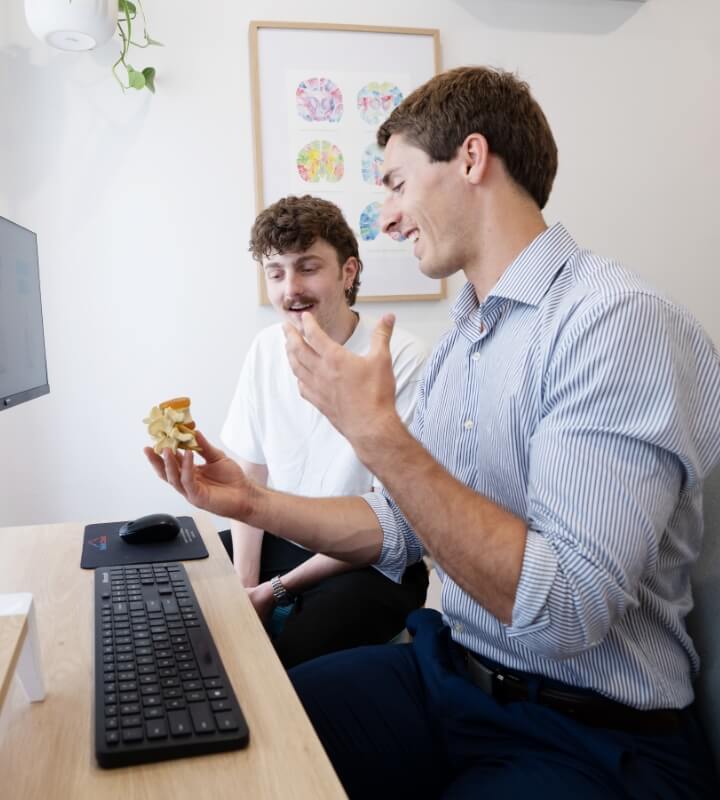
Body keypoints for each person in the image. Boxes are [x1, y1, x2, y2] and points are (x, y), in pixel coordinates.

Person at [146, 66, 720, 798]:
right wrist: (252, 505)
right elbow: (399, 525)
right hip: (452, 675)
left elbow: (567, 608)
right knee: (239, 733)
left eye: (394, 183)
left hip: (592, 734)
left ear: (472, 159)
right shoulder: (466, 334)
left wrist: (378, 435)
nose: (385, 217)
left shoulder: (613, 321)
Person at [218, 194, 428, 668]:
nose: (290, 288)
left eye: (307, 267)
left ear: (348, 272)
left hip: (368, 563)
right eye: (276, 272)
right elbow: (249, 480)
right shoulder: (266, 348)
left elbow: (389, 522)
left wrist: (273, 591)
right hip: (284, 540)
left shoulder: (402, 358)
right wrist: (243, 587)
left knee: (284, 664)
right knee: (189, 579)